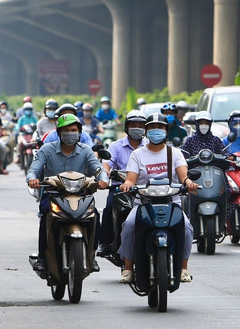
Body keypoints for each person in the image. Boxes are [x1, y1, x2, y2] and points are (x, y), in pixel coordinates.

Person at [117, 113, 199, 283]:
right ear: (146, 132)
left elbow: (184, 176)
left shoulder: (175, 153)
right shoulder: (137, 155)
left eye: (160, 128)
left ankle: (183, 267)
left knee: (187, 228)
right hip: (143, 204)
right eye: (152, 128)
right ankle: (127, 267)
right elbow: (131, 178)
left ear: (166, 131)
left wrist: (189, 183)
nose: (156, 131)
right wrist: (127, 184)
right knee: (129, 226)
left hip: (171, 203)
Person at [27, 113, 109, 273]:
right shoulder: (46, 149)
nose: (70, 133)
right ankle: (43, 258)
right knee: (45, 217)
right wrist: (33, 179)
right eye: (66, 130)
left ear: (79, 132)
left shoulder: (86, 150)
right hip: (53, 194)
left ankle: (92, 256)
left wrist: (103, 179)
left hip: (81, 194)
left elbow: (97, 168)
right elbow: (34, 169)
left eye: (73, 130)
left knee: (95, 216)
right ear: (58, 133)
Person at [97, 110, 148, 257]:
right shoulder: (116, 146)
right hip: (120, 187)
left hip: (145, 188)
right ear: (126, 127)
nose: (137, 128)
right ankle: (105, 242)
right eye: (133, 125)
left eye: (140, 125)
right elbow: (106, 163)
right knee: (109, 205)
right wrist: (105, 173)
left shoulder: (150, 146)